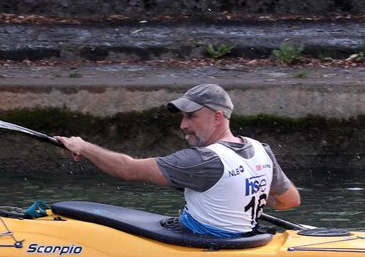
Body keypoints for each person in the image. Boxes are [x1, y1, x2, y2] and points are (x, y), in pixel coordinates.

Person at [55, 84, 301, 237]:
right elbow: (289, 201)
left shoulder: (202, 160)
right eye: (183, 117)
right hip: (245, 236)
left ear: (217, 117)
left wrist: (84, 147)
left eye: (191, 117)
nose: (183, 125)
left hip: (204, 240)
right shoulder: (261, 149)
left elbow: (128, 169)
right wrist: (240, 197)